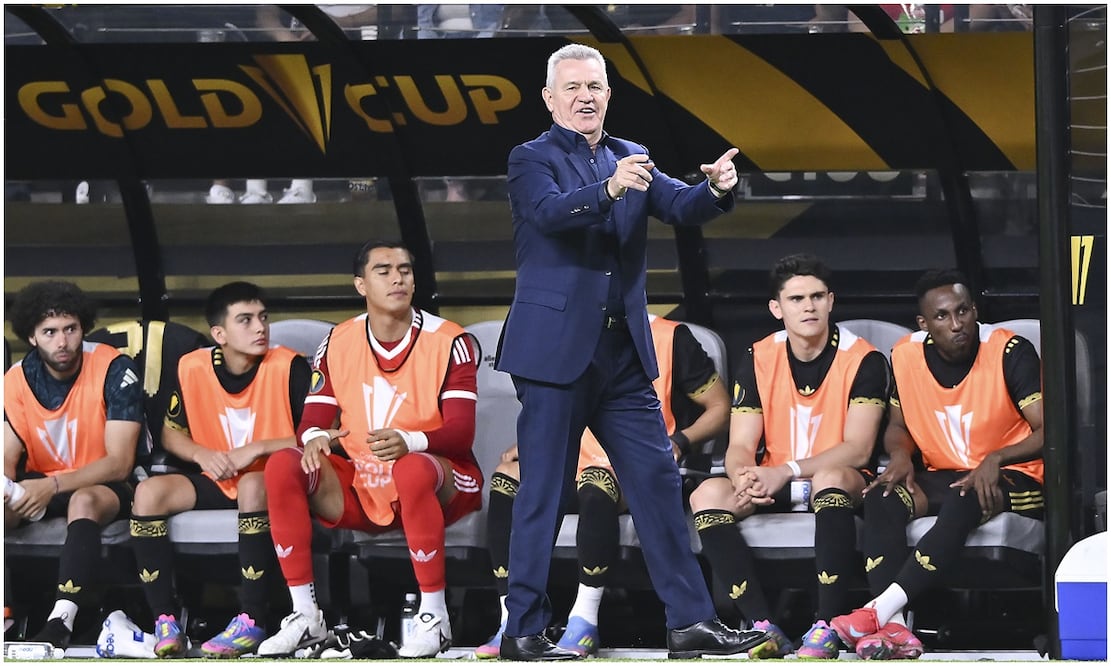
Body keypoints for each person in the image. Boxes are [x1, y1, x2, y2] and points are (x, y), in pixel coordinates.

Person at [495, 42, 765, 660]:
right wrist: (608, 190)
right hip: (554, 354)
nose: (585, 97)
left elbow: (679, 205)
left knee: (657, 483)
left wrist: (715, 189)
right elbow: (548, 215)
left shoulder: (631, 153)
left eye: (594, 86)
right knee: (542, 492)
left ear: (608, 95)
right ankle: (524, 631)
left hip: (621, 355)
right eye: (572, 87)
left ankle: (690, 623)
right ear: (550, 98)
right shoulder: (530, 158)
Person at [258, 240, 482, 658]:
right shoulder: (337, 340)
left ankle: (434, 617)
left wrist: (410, 441)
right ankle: (305, 615)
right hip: (363, 482)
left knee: (412, 468)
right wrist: (314, 438)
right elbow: (313, 421)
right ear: (360, 284)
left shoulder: (451, 340)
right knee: (284, 465)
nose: (398, 278)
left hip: (442, 478)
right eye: (384, 270)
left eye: (405, 270)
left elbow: (461, 433)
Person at [476, 315, 731, 658]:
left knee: (598, 484)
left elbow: (719, 407)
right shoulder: (566, 329)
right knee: (506, 478)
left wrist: (680, 441)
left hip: (626, 467)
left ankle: (584, 617)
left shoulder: (670, 337)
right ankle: (511, 619)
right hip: (567, 462)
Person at [830, 269, 1044, 660]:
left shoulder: (1010, 350)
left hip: (1017, 475)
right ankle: (895, 628)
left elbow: (1050, 431)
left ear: (975, 310)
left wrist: (996, 457)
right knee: (883, 495)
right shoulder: (905, 355)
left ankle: (875, 611)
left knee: (966, 494)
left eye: (963, 311)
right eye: (942, 316)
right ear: (924, 323)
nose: (956, 324)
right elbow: (898, 427)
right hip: (943, 474)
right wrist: (899, 455)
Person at [688, 254, 889, 659]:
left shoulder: (864, 358)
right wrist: (744, 476)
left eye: (817, 296)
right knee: (706, 494)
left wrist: (786, 470)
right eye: (796, 299)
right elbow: (740, 444)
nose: (808, 307)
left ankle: (826, 625)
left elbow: (859, 449)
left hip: (840, 485)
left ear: (831, 301)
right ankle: (761, 626)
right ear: (776, 308)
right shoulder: (759, 356)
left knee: (832, 478)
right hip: (774, 484)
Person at [123, 282, 310, 658]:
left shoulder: (290, 366)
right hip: (216, 478)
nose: (260, 327)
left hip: (273, 482)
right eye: (246, 320)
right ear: (219, 334)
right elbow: (170, 433)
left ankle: (253, 618)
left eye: (263, 317)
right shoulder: (191, 366)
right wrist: (202, 454)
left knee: (252, 485)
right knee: (148, 493)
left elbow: (317, 436)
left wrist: (257, 448)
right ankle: (165, 620)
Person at [3, 281, 144, 649]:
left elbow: (120, 463)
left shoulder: (114, 368)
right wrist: (8, 489)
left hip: (106, 485)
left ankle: (61, 620)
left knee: (84, 499)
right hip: (42, 484)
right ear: (32, 337)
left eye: (70, 329)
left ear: (84, 327)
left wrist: (51, 486)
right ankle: (6, 613)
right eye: (49, 332)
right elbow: (7, 457)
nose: (62, 342)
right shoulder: (16, 378)